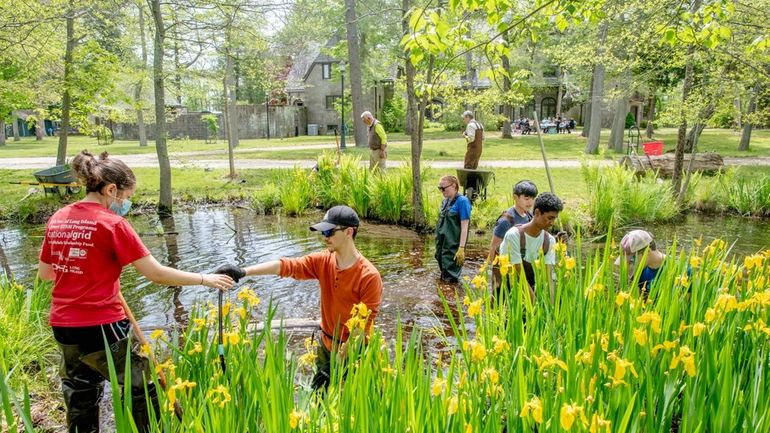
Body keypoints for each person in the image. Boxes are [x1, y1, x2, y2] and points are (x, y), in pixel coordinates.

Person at [37, 150, 234, 433]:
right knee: (141, 387)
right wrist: (205, 279)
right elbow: (155, 273)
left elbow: (46, 273)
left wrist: (86, 271)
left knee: (80, 393)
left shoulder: (59, 217)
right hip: (101, 324)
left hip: (63, 324)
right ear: (111, 189)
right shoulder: (113, 224)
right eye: (126, 197)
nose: (125, 203)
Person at [214, 205, 383, 391]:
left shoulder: (369, 277)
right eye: (322, 231)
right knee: (320, 403)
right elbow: (287, 266)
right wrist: (244, 272)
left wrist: (335, 366)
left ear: (349, 232)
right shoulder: (323, 261)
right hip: (326, 347)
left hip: (354, 354)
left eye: (329, 231)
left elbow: (359, 333)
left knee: (352, 406)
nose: (324, 236)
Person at [499, 192, 563, 303]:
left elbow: (548, 278)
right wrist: (534, 305)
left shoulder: (549, 241)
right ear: (537, 213)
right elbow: (519, 275)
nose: (552, 223)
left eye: (554, 219)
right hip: (509, 295)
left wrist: (551, 307)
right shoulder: (514, 235)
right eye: (550, 218)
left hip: (533, 291)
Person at [487, 180, 538, 295]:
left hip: (523, 265)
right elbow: (493, 248)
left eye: (532, 198)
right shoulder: (506, 220)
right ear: (515, 197)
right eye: (526, 198)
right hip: (507, 268)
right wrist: (498, 275)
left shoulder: (529, 216)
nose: (530, 202)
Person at [435, 175, 472, 283]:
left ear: (454, 186)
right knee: (443, 275)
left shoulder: (462, 202)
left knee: (451, 279)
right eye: (439, 188)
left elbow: (465, 227)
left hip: (453, 246)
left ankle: (453, 297)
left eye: (443, 188)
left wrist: (461, 248)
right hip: (442, 245)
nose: (441, 191)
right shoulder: (445, 201)